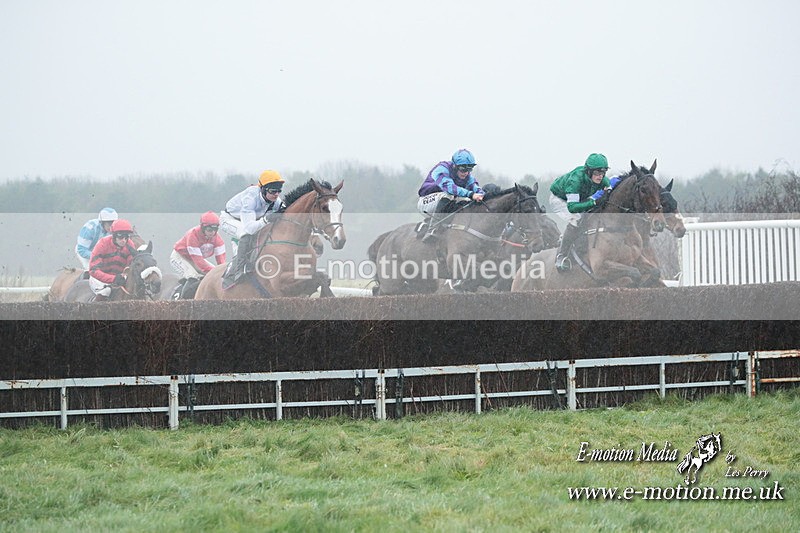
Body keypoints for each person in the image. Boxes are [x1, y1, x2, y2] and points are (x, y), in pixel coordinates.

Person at [549, 153, 621, 272]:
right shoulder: (575, 180)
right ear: (588, 172)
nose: (600, 176)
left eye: (603, 173)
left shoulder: (603, 180)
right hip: (560, 199)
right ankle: (561, 256)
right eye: (597, 173)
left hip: (579, 198)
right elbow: (572, 207)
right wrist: (593, 203)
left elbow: (609, 187)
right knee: (576, 218)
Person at [219, 170, 286, 287]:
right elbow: (249, 228)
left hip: (250, 220)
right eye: (273, 191)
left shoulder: (276, 201)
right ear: (263, 189)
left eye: (279, 191)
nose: (276, 194)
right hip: (230, 220)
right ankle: (236, 272)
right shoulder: (250, 199)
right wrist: (265, 220)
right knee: (246, 233)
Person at [417, 149, 486, 243]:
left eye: (469, 169)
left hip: (443, 202)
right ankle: (432, 229)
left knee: (466, 201)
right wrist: (471, 194)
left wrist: (483, 197)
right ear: (455, 166)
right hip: (426, 202)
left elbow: (476, 189)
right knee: (448, 195)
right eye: (463, 169)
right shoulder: (442, 168)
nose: (466, 172)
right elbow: (450, 188)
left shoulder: (468, 177)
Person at [170, 211, 227, 282]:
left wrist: (222, 273)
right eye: (209, 230)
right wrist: (215, 272)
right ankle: (182, 293)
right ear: (203, 227)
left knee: (217, 274)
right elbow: (200, 262)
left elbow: (221, 262)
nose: (212, 233)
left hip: (194, 259)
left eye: (215, 230)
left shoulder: (218, 239)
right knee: (192, 276)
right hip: (179, 257)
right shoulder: (193, 235)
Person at [88, 219, 137, 300]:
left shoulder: (130, 245)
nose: (124, 240)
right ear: (114, 235)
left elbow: (130, 266)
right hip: (99, 279)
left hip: (119, 278)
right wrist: (113, 278)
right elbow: (93, 270)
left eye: (126, 236)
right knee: (106, 292)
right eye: (120, 236)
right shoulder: (102, 244)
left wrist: (124, 276)